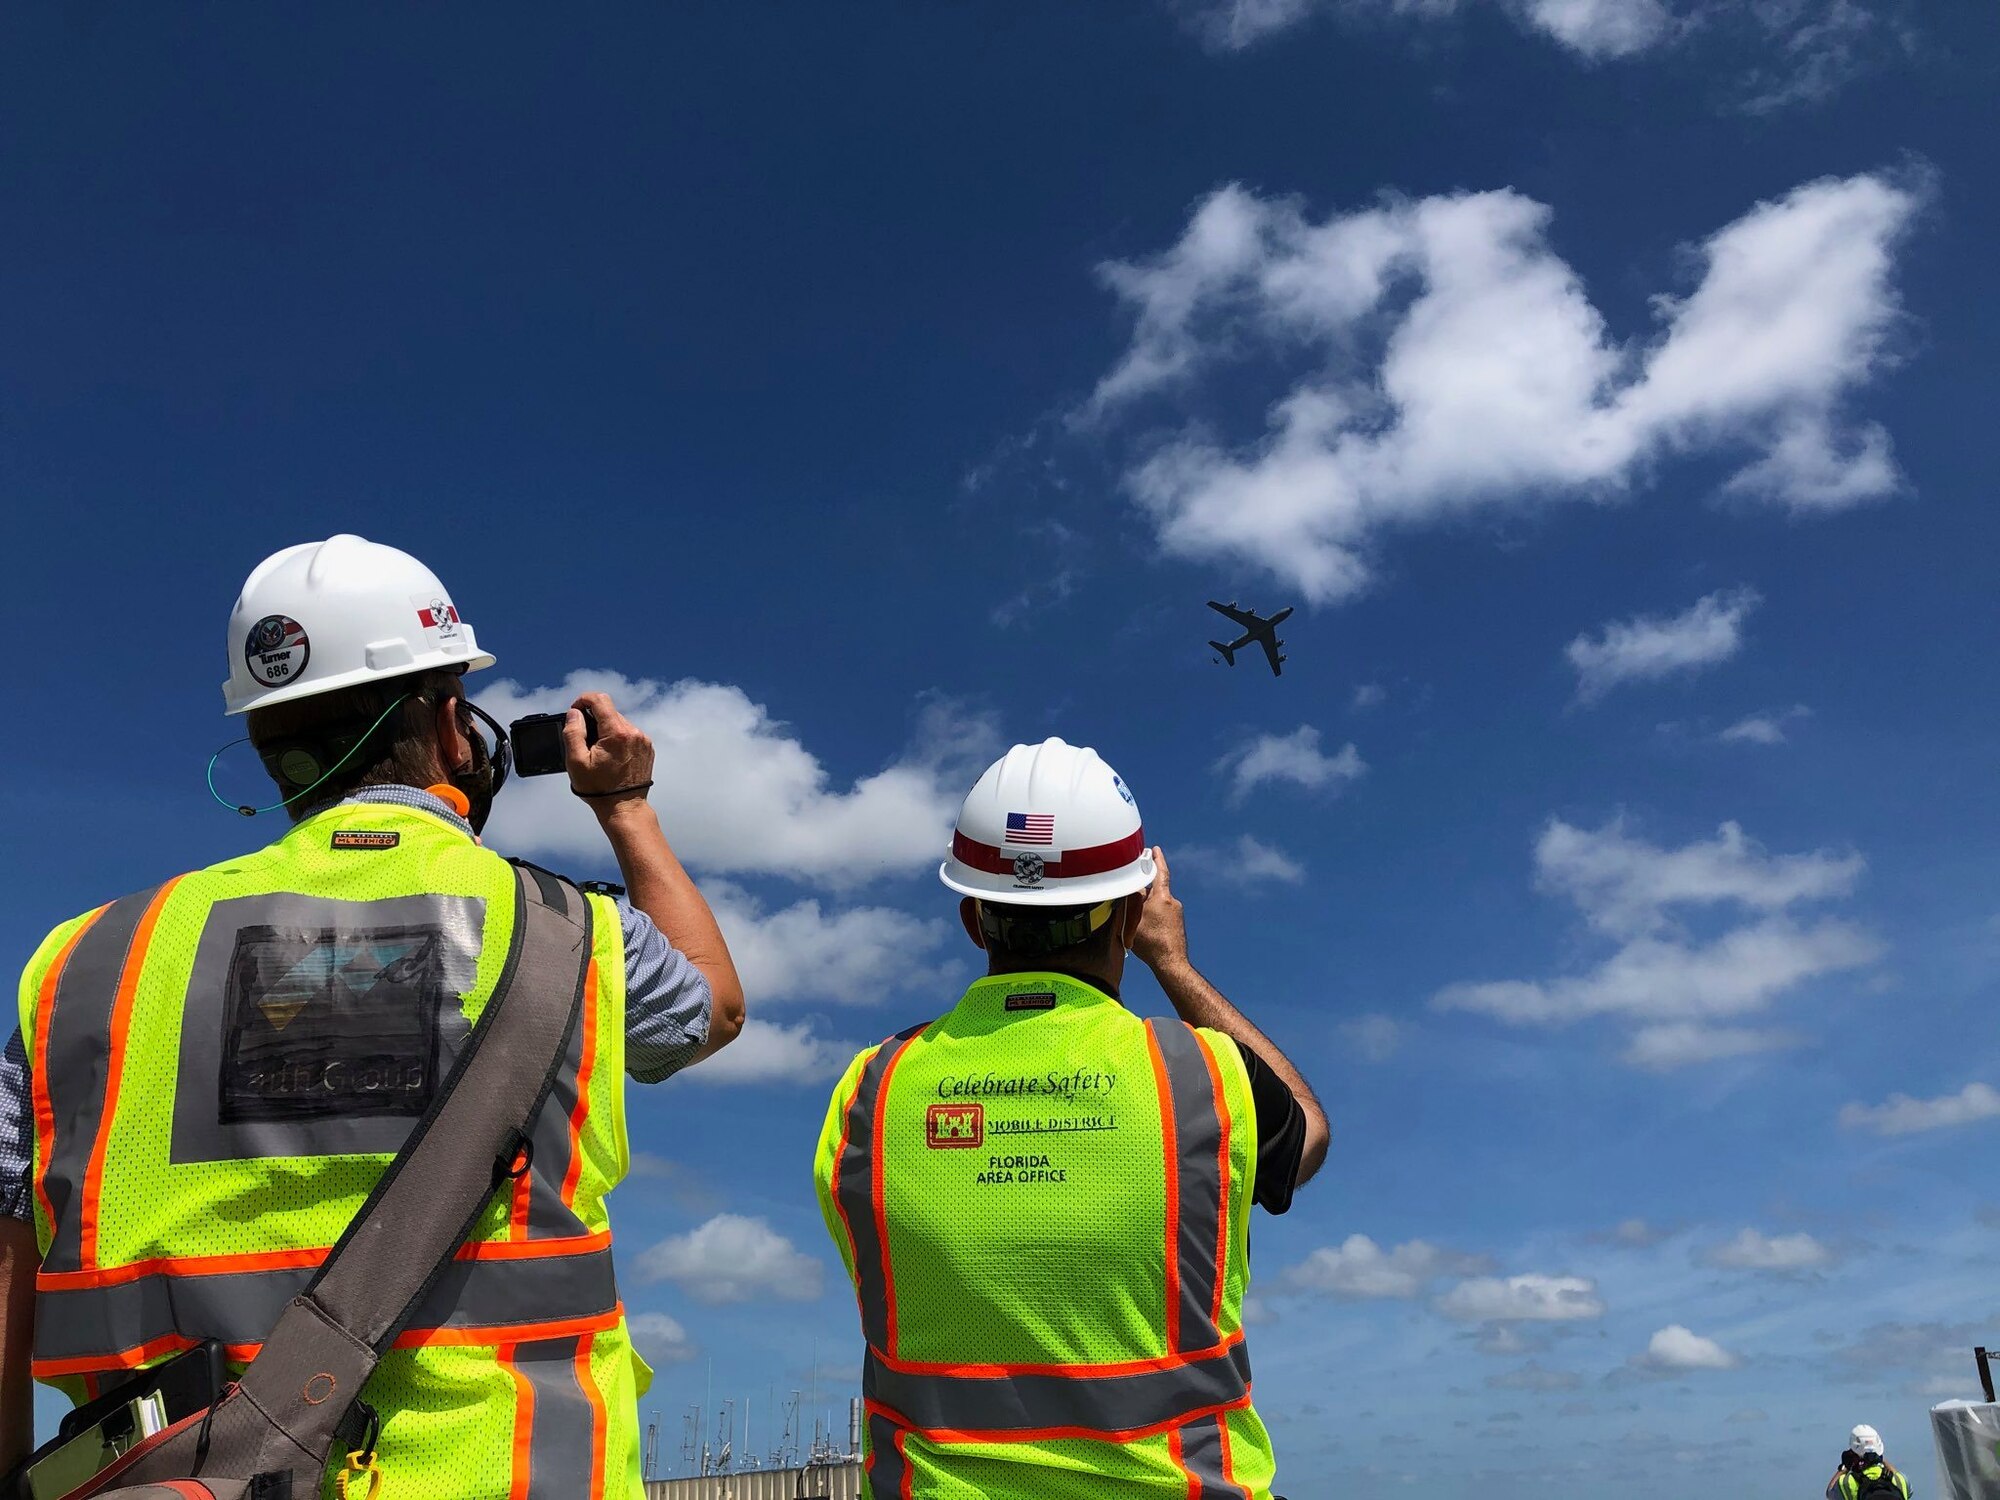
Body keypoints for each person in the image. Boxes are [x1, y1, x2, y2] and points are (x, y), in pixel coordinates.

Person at [0, 534, 745, 1497]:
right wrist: (628, 805)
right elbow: (711, 1008)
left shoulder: (90, 961)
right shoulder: (572, 931)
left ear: (273, 754)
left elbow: (12, 1250)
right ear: (450, 726)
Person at [813, 737, 1328, 1499]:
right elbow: (1308, 1135)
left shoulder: (871, 1092)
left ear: (973, 920)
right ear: (1132, 915)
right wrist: (1175, 965)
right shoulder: (1207, 1077)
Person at [1828, 1425, 1914, 1500]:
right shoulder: (1900, 1480)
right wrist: (1880, 1458)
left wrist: (1844, 1467)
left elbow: (1830, 1492)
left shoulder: (1847, 1482)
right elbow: (1907, 1490)